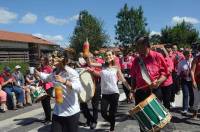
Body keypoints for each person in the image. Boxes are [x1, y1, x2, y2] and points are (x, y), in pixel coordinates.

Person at [35, 53, 83, 132]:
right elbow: (47, 77)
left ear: (63, 60)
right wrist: (39, 74)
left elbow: (79, 88)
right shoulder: (54, 72)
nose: (53, 59)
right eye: (52, 57)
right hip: (58, 111)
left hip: (71, 112)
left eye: (55, 57)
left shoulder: (71, 72)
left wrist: (65, 81)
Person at [130, 36, 169, 132]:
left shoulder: (157, 56)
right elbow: (133, 77)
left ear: (147, 46)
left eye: (139, 46)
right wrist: (131, 90)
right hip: (140, 92)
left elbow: (166, 73)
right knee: (143, 121)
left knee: (156, 120)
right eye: (136, 46)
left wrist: (158, 81)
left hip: (155, 91)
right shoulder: (136, 60)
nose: (137, 49)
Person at [88, 50, 132, 132]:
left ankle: (112, 126)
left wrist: (130, 89)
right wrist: (87, 55)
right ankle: (112, 121)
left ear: (113, 56)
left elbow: (122, 79)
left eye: (109, 55)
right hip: (105, 94)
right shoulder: (103, 66)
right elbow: (90, 64)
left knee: (112, 113)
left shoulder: (116, 68)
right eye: (106, 55)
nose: (108, 56)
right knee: (103, 113)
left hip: (114, 93)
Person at [177, 50, 194, 115]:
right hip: (185, 80)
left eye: (190, 54)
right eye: (188, 54)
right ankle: (185, 109)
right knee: (186, 94)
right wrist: (183, 74)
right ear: (185, 55)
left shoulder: (193, 60)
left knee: (192, 94)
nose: (189, 55)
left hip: (192, 80)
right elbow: (178, 73)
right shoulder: (181, 63)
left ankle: (191, 106)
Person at [38, 57, 53, 125]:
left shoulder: (49, 68)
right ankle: (46, 118)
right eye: (40, 60)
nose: (41, 61)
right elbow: (40, 78)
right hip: (42, 87)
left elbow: (52, 77)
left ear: (45, 60)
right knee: (43, 103)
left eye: (42, 60)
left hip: (48, 87)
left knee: (47, 103)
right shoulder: (41, 68)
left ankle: (49, 119)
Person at [191, 48, 200, 120]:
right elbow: (192, 71)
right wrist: (193, 81)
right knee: (197, 99)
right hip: (197, 82)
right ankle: (195, 113)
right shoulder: (196, 59)